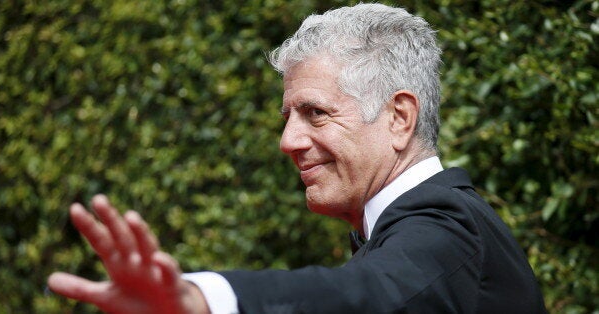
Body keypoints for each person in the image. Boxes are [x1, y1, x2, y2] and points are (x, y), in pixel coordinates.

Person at [48, 3, 547, 313]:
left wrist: (204, 300)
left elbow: (365, 296)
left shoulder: (444, 225)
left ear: (399, 118)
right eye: (288, 116)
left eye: (315, 113)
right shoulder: (409, 227)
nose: (288, 141)